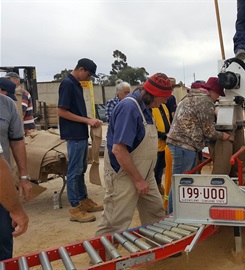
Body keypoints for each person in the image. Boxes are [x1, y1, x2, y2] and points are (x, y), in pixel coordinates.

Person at [95, 73, 171, 237]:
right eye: (163, 98)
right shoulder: (129, 108)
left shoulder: (147, 108)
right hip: (124, 173)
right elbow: (119, 150)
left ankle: (157, 244)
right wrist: (138, 180)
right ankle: (102, 258)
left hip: (145, 172)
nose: (164, 102)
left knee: (155, 211)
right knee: (115, 220)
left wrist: (144, 177)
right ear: (154, 95)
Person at [166, 77, 231, 214]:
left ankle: (179, 211)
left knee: (183, 180)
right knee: (180, 182)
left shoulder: (191, 96)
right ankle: (173, 214)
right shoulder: (206, 102)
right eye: (218, 94)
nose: (217, 97)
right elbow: (209, 132)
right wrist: (223, 136)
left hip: (178, 142)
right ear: (212, 91)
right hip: (185, 144)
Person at [57, 58, 104, 223]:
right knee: (74, 171)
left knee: (81, 168)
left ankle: (84, 200)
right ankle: (75, 208)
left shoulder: (76, 84)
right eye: (89, 74)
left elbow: (74, 110)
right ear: (81, 69)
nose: (89, 78)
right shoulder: (68, 84)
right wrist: (86, 121)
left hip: (80, 134)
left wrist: (89, 119)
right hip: (74, 135)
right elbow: (62, 111)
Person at [0, 91, 32, 260]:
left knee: (4, 238)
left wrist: (24, 177)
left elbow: (17, 140)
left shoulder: (6, 105)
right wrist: (17, 210)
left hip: (3, 188)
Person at [152, 101, 170, 194]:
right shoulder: (152, 108)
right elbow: (152, 126)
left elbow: (167, 122)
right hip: (157, 144)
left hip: (165, 144)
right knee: (156, 167)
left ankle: (158, 185)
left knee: (161, 166)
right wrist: (161, 135)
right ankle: (155, 187)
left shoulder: (164, 106)